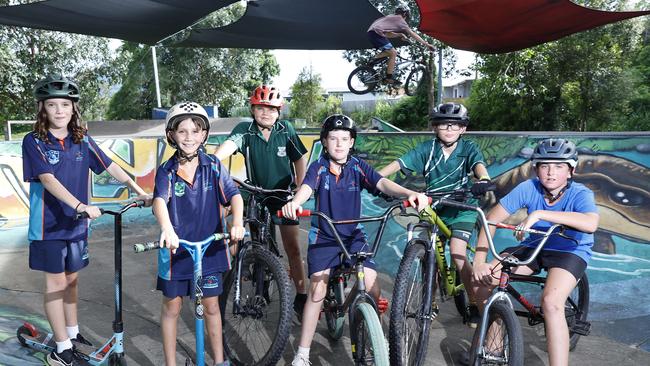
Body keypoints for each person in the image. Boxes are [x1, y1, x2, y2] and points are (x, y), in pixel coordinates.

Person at [22, 74, 152, 366]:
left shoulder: (82, 140)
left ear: (73, 108)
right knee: (56, 284)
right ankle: (60, 348)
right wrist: (80, 204)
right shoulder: (34, 141)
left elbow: (110, 165)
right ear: (42, 108)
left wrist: (138, 189)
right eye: (52, 105)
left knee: (72, 281)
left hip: (77, 225)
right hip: (49, 226)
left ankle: (72, 332)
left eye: (64, 105)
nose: (59, 111)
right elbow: (48, 179)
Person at [283, 114, 429, 366]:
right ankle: (303, 353)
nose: (339, 144)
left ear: (351, 142)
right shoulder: (319, 167)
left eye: (344, 139)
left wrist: (410, 193)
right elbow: (306, 187)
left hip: (353, 235)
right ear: (325, 142)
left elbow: (382, 183)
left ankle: (377, 336)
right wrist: (295, 203)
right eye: (333, 138)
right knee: (317, 290)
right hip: (325, 236)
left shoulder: (358, 166)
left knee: (372, 284)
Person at [471, 138, 599, 366]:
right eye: (544, 166)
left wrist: (540, 214)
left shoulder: (581, 193)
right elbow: (491, 220)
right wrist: (479, 261)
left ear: (571, 170)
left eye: (559, 166)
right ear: (536, 168)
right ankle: (494, 344)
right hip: (535, 246)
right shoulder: (528, 187)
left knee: (551, 302)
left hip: (570, 249)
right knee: (484, 282)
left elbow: (590, 223)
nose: (551, 172)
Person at [378, 102, 491, 328]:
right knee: (432, 255)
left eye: (454, 125)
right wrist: (374, 178)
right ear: (434, 127)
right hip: (434, 206)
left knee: (458, 255)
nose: (448, 129)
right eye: (442, 124)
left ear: (463, 129)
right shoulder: (426, 149)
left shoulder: (468, 148)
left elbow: (479, 167)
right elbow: (398, 164)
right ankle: (430, 303)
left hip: (462, 209)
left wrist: (484, 180)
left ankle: (475, 303)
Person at [153, 102, 245, 366]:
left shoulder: (214, 165)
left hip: (211, 249)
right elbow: (160, 201)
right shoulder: (167, 171)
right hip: (176, 250)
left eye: (195, 131)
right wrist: (167, 230)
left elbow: (235, 196)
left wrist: (236, 222)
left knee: (212, 306)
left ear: (204, 134)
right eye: (182, 131)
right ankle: (170, 363)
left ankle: (219, 361)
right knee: (172, 307)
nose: (189, 137)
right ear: (171, 135)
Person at [215, 85, 309, 319]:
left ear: (279, 111)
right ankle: (243, 263)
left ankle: (301, 294)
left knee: (293, 248)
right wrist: (212, 159)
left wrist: (300, 185)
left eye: (271, 108)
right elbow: (229, 146)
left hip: (281, 194)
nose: (265, 113)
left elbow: (299, 159)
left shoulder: (285, 130)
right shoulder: (244, 130)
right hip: (255, 191)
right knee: (229, 216)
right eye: (260, 108)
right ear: (253, 109)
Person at [367, 5, 435, 85]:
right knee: (393, 53)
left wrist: (400, 35)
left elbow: (388, 34)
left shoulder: (391, 18)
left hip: (372, 34)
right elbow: (413, 34)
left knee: (390, 52)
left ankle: (373, 61)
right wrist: (426, 44)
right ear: (405, 14)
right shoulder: (400, 20)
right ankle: (388, 78)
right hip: (376, 34)